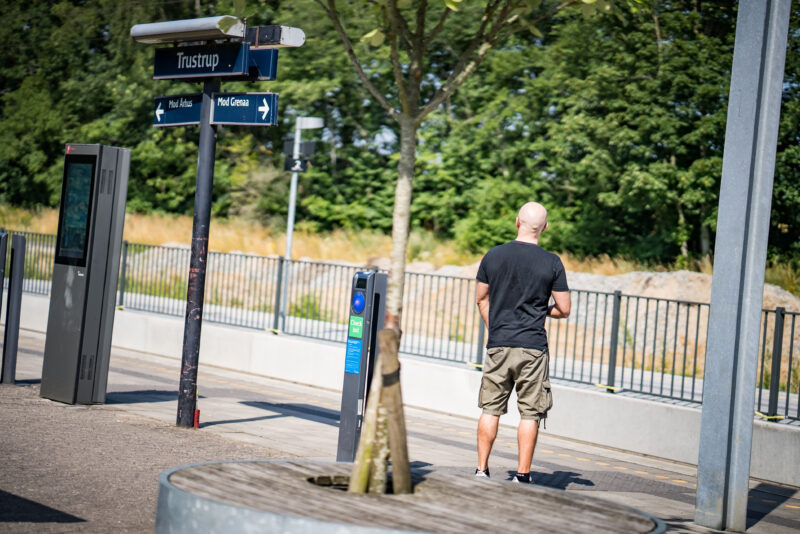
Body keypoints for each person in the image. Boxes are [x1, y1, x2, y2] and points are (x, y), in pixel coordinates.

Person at [474, 201, 570, 484]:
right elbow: (564, 309)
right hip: (533, 346)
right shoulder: (552, 262)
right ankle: (522, 474)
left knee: (490, 408)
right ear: (545, 227)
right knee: (530, 413)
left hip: (499, 344)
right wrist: (542, 311)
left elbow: (481, 298)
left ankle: (481, 470)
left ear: (517, 221)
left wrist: (496, 328)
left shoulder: (493, 255)